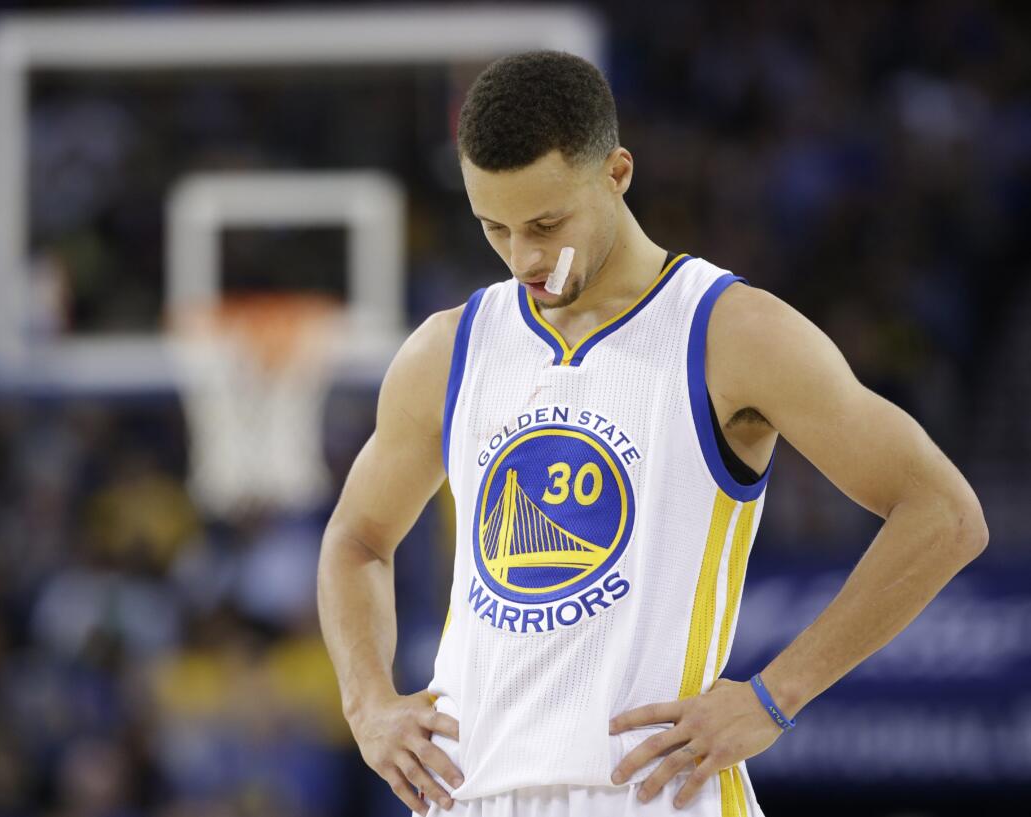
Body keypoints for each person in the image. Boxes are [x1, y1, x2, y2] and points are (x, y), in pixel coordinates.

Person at [316, 50, 987, 817]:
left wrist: (773, 698)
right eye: (494, 227)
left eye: (545, 223)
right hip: (468, 794)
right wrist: (367, 703)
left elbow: (946, 514)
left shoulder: (732, 332)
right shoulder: (448, 348)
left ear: (618, 172)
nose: (525, 257)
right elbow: (356, 538)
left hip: (651, 794)